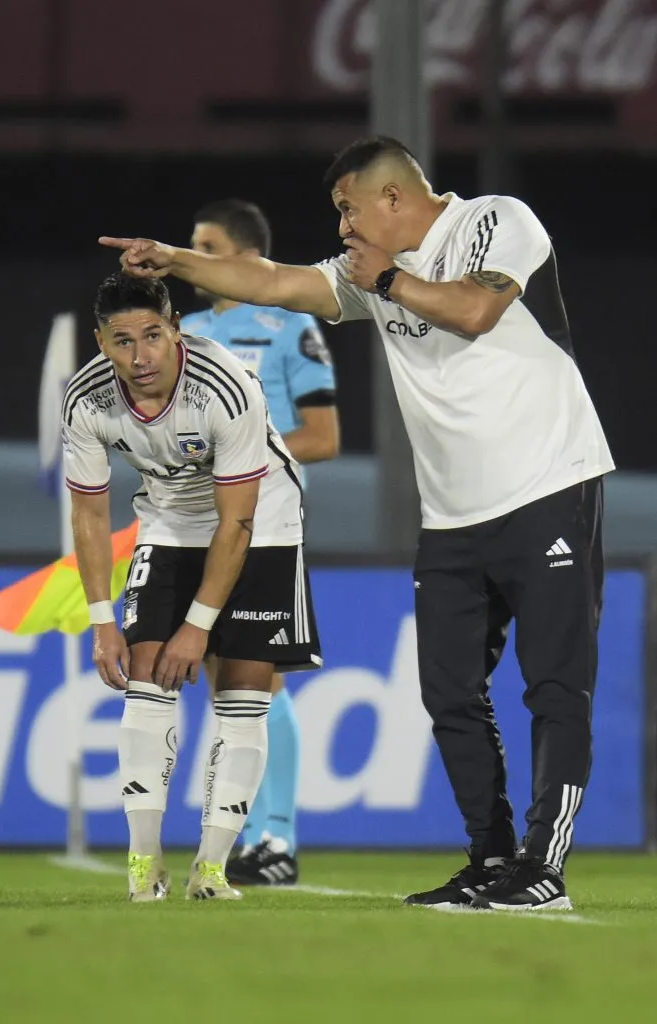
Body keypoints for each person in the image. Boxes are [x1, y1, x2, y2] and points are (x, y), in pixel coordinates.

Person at [100, 135, 614, 912]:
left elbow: (475, 308)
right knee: (447, 689)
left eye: (347, 209)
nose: (341, 227)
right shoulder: (370, 275)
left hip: (549, 484)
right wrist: (175, 260)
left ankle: (543, 867)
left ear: (394, 200)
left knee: (553, 686)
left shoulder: (494, 220)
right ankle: (490, 857)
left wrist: (389, 281)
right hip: (451, 515)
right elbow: (272, 279)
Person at [62, 271, 320, 902]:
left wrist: (196, 628)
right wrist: (102, 621)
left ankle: (211, 868)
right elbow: (90, 515)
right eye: (122, 341)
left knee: (243, 688)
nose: (140, 355)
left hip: (262, 522)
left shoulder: (226, 386)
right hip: (169, 520)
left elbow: (237, 520)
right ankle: (143, 864)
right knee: (145, 676)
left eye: (154, 334)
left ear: (177, 329)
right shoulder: (86, 400)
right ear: (101, 343)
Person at [180, 199, 339, 886]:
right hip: (193, 523)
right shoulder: (177, 333)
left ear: (247, 257)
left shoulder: (286, 324)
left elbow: (324, 436)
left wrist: (244, 459)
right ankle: (243, 836)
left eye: (206, 245)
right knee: (221, 682)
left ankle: (279, 838)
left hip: (264, 522)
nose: (193, 257)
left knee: (260, 676)